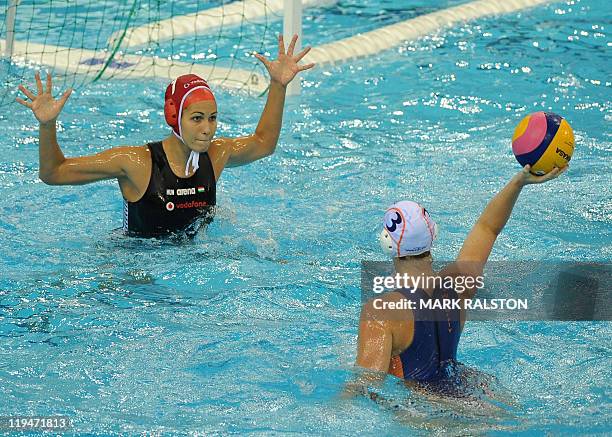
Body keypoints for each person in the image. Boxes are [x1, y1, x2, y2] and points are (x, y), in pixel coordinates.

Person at [16, 34, 314, 238]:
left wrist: (278, 85)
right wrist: (47, 125)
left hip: (194, 266)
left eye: (212, 118)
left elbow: (264, 144)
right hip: (136, 266)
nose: (207, 128)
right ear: (174, 117)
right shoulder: (136, 162)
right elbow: (54, 173)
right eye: (196, 118)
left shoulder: (217, 155)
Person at [353, 165, 567, 385]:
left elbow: (363, 388)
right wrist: (518, 182)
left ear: (387, 243)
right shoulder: (459, 283)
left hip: (422, 413)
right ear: (433, 235)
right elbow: (487, 228)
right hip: (468, 391)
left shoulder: (380, 313)